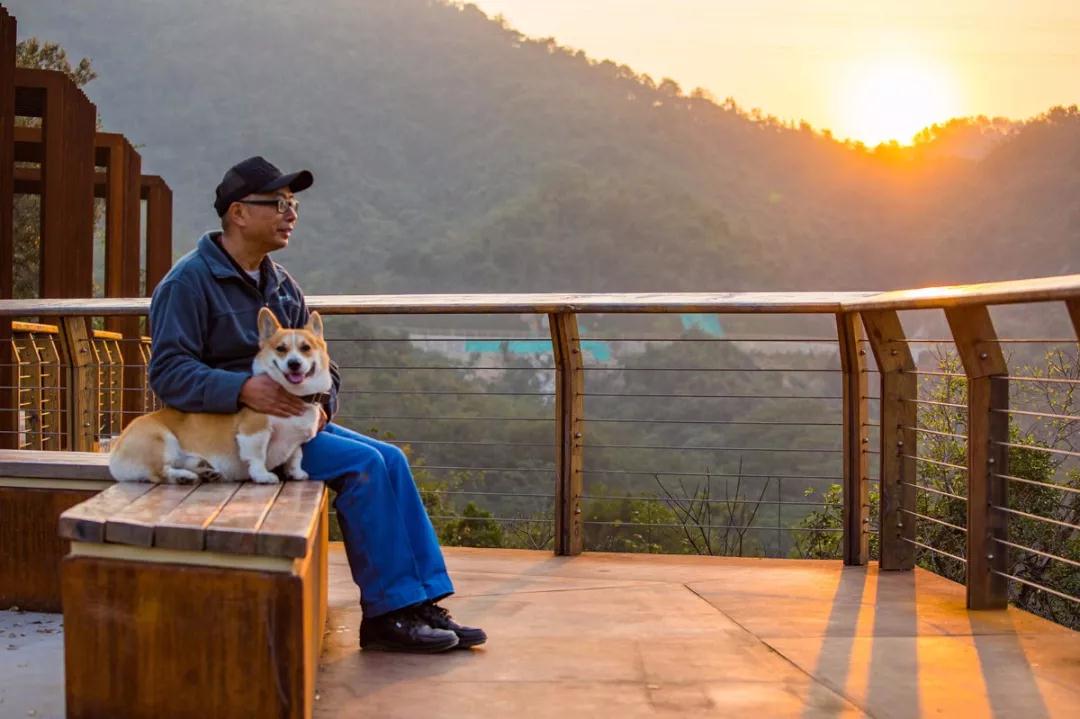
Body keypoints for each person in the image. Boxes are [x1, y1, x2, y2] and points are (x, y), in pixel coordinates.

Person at [147, 156, 485, 653]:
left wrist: (324, 402)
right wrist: (241, 388)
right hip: (235, 438)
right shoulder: (188, 284)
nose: (291, 214)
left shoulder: (281, 284)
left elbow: (326, 364)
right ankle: (389, 616)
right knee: (365, 465)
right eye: (279, 204)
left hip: (292, 426)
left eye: (293, 204)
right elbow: (168, 373)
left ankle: (419, 602)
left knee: (390, 457)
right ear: (238, 213)